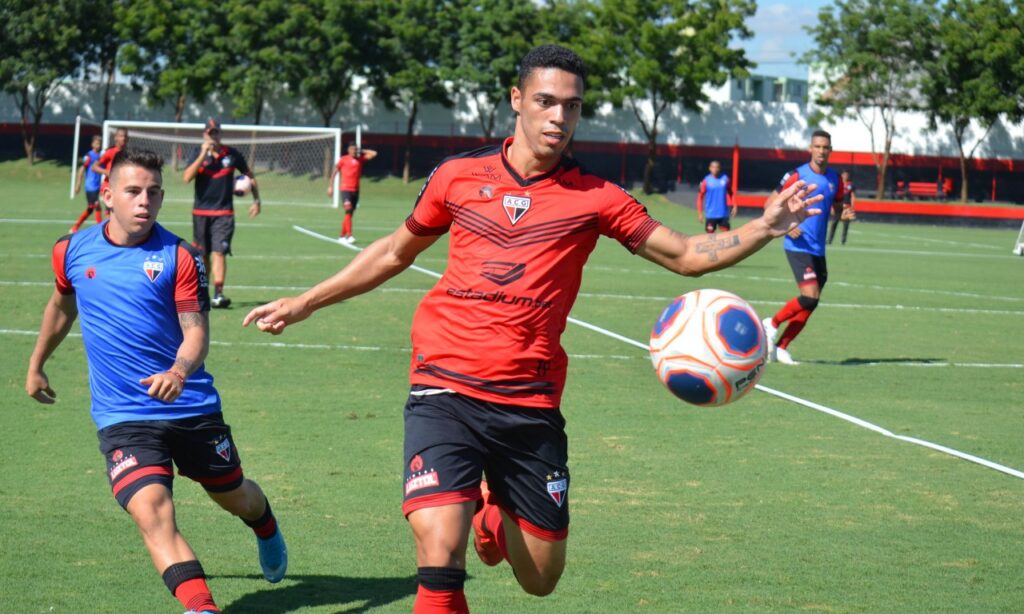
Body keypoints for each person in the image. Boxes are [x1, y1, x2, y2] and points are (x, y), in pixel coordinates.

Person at [242, 44, 821, 613]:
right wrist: (308, 301)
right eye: (546, 101)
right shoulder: (458, 176)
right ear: (517, 100)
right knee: (440, 555)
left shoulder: (597, 198)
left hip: (529, 403)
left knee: (540, 579)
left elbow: (687, 254)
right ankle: (464, 521)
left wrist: (765, 227)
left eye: (571, 105)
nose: (559, 116)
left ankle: (491, 512)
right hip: (444, 386)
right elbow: (394, 252)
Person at [25, 148, 287, 614]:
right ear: (107, 196)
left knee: (234, 496)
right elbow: (61, 307)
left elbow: (196, 332)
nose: (143, 201)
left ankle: (264, 525)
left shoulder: (180, 256)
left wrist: (178, 372)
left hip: (190, 407)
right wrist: (36, 362)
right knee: (151, 512)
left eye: (152, 192)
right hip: (123, 415)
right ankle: (201, 607)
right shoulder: (71, 249)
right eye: (132, 192)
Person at [762, 129, 844, 365]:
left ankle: (781, 348)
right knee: (810, 295)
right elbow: (770, 204)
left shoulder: (835, 180)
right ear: (810, 148)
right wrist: (786, 226)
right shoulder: (797, 174)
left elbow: (837, 209)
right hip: (797, 245)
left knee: (812, 301)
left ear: (831, 150)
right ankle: (772, 324)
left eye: (825, 147)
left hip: (818, 249)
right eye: (817, 146)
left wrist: (843, 214)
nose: (821, 151)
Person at [183, 118, 261, 308]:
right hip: (200, 213)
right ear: (204, 135)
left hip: (224, 214)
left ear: (221, 134)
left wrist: (257, 200)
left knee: (219, 253)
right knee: (202, 255)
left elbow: (250, 176)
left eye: (216, 132)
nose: (213, 136)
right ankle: (202, 291)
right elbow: (186, 177)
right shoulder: (197, 153)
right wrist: (203, 153)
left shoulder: (232, 155)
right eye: (210, 133)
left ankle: (219, 294)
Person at [327, 142, 378, 244]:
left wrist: (362, 150)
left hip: (356, 190)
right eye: (352, 149)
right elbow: (334, 172)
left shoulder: (360, 159)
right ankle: (350, 235)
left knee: (349, 214)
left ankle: (341, 236)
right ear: (348, 150)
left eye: (355, 149)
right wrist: (330, 186)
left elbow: (374, 153)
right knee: (349, 210)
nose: (354, 151)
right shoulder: (343, 159)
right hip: (345, 189)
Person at [91, 127, 129, 217]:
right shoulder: (110, 152)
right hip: (110, 186)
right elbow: (94, 167)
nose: (123, 138)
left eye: (125, 136)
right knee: (111, 215)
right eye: (121, 136)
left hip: (123, 187)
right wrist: (108, 172)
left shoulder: (129, 153)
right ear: (115, 138)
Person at [70, 135, 104, 232]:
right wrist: (78, 184)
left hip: (97, 186)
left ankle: (75, 227)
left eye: (100, 144)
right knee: (97, 206)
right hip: (90, 186)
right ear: (92, 144)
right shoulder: (89, 156)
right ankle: (100, 229)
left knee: (90, 208)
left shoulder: (100, 156)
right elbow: (81, 169)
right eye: (97, 143)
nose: (98, 145)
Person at [696, 160, 736, 233]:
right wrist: (700, 213)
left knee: (726, 236)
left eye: (717, 167)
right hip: (710, 214)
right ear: (710, 168)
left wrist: (734, 205)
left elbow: (731, 193)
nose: (715, 169)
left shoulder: (725, 179)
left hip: (723, 214)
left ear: (719, 168)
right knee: (710, 238)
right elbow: (700, 197)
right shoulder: (706, 181)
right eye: (713, 167)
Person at [828, 169, 856, 245]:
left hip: (847, 207)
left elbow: (853, 196)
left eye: (847, 175)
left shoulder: (851, 185)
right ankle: (829, 240)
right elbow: (833, 196)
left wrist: (852, 207)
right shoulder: (837, 184)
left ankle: (843, 241)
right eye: (844, 175)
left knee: (846, 225)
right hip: (838, 207)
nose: (846, 176)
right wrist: (832, 207)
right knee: (834, 223)